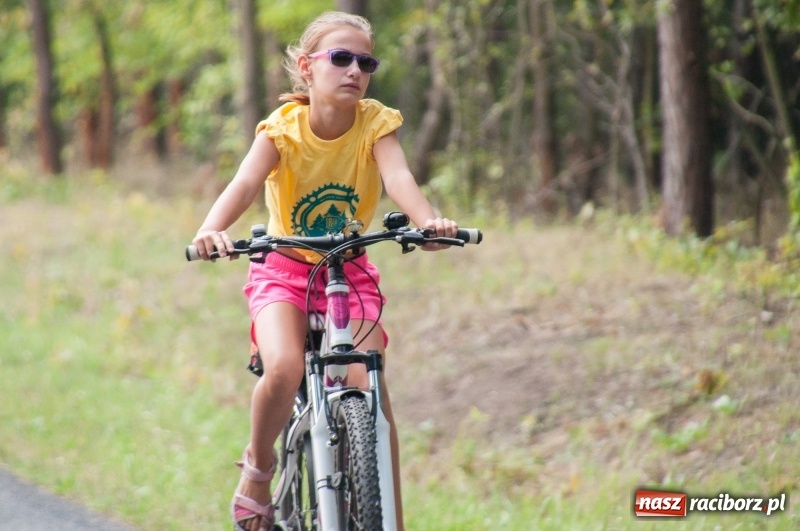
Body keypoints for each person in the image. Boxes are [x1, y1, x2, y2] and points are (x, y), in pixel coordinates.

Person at [192, 11, 457, 531]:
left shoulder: (376, 124)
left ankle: (390, 519)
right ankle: (258, 469)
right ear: (306, 67)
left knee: (372, 387)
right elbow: (245, 185)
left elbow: (399, 178)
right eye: (340, 58)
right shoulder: (283, 130)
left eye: (366, 62)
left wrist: (429, 225)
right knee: (286, 366)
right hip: (283, 270)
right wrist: (211, 229)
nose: (354, 70)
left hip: (349, 272)